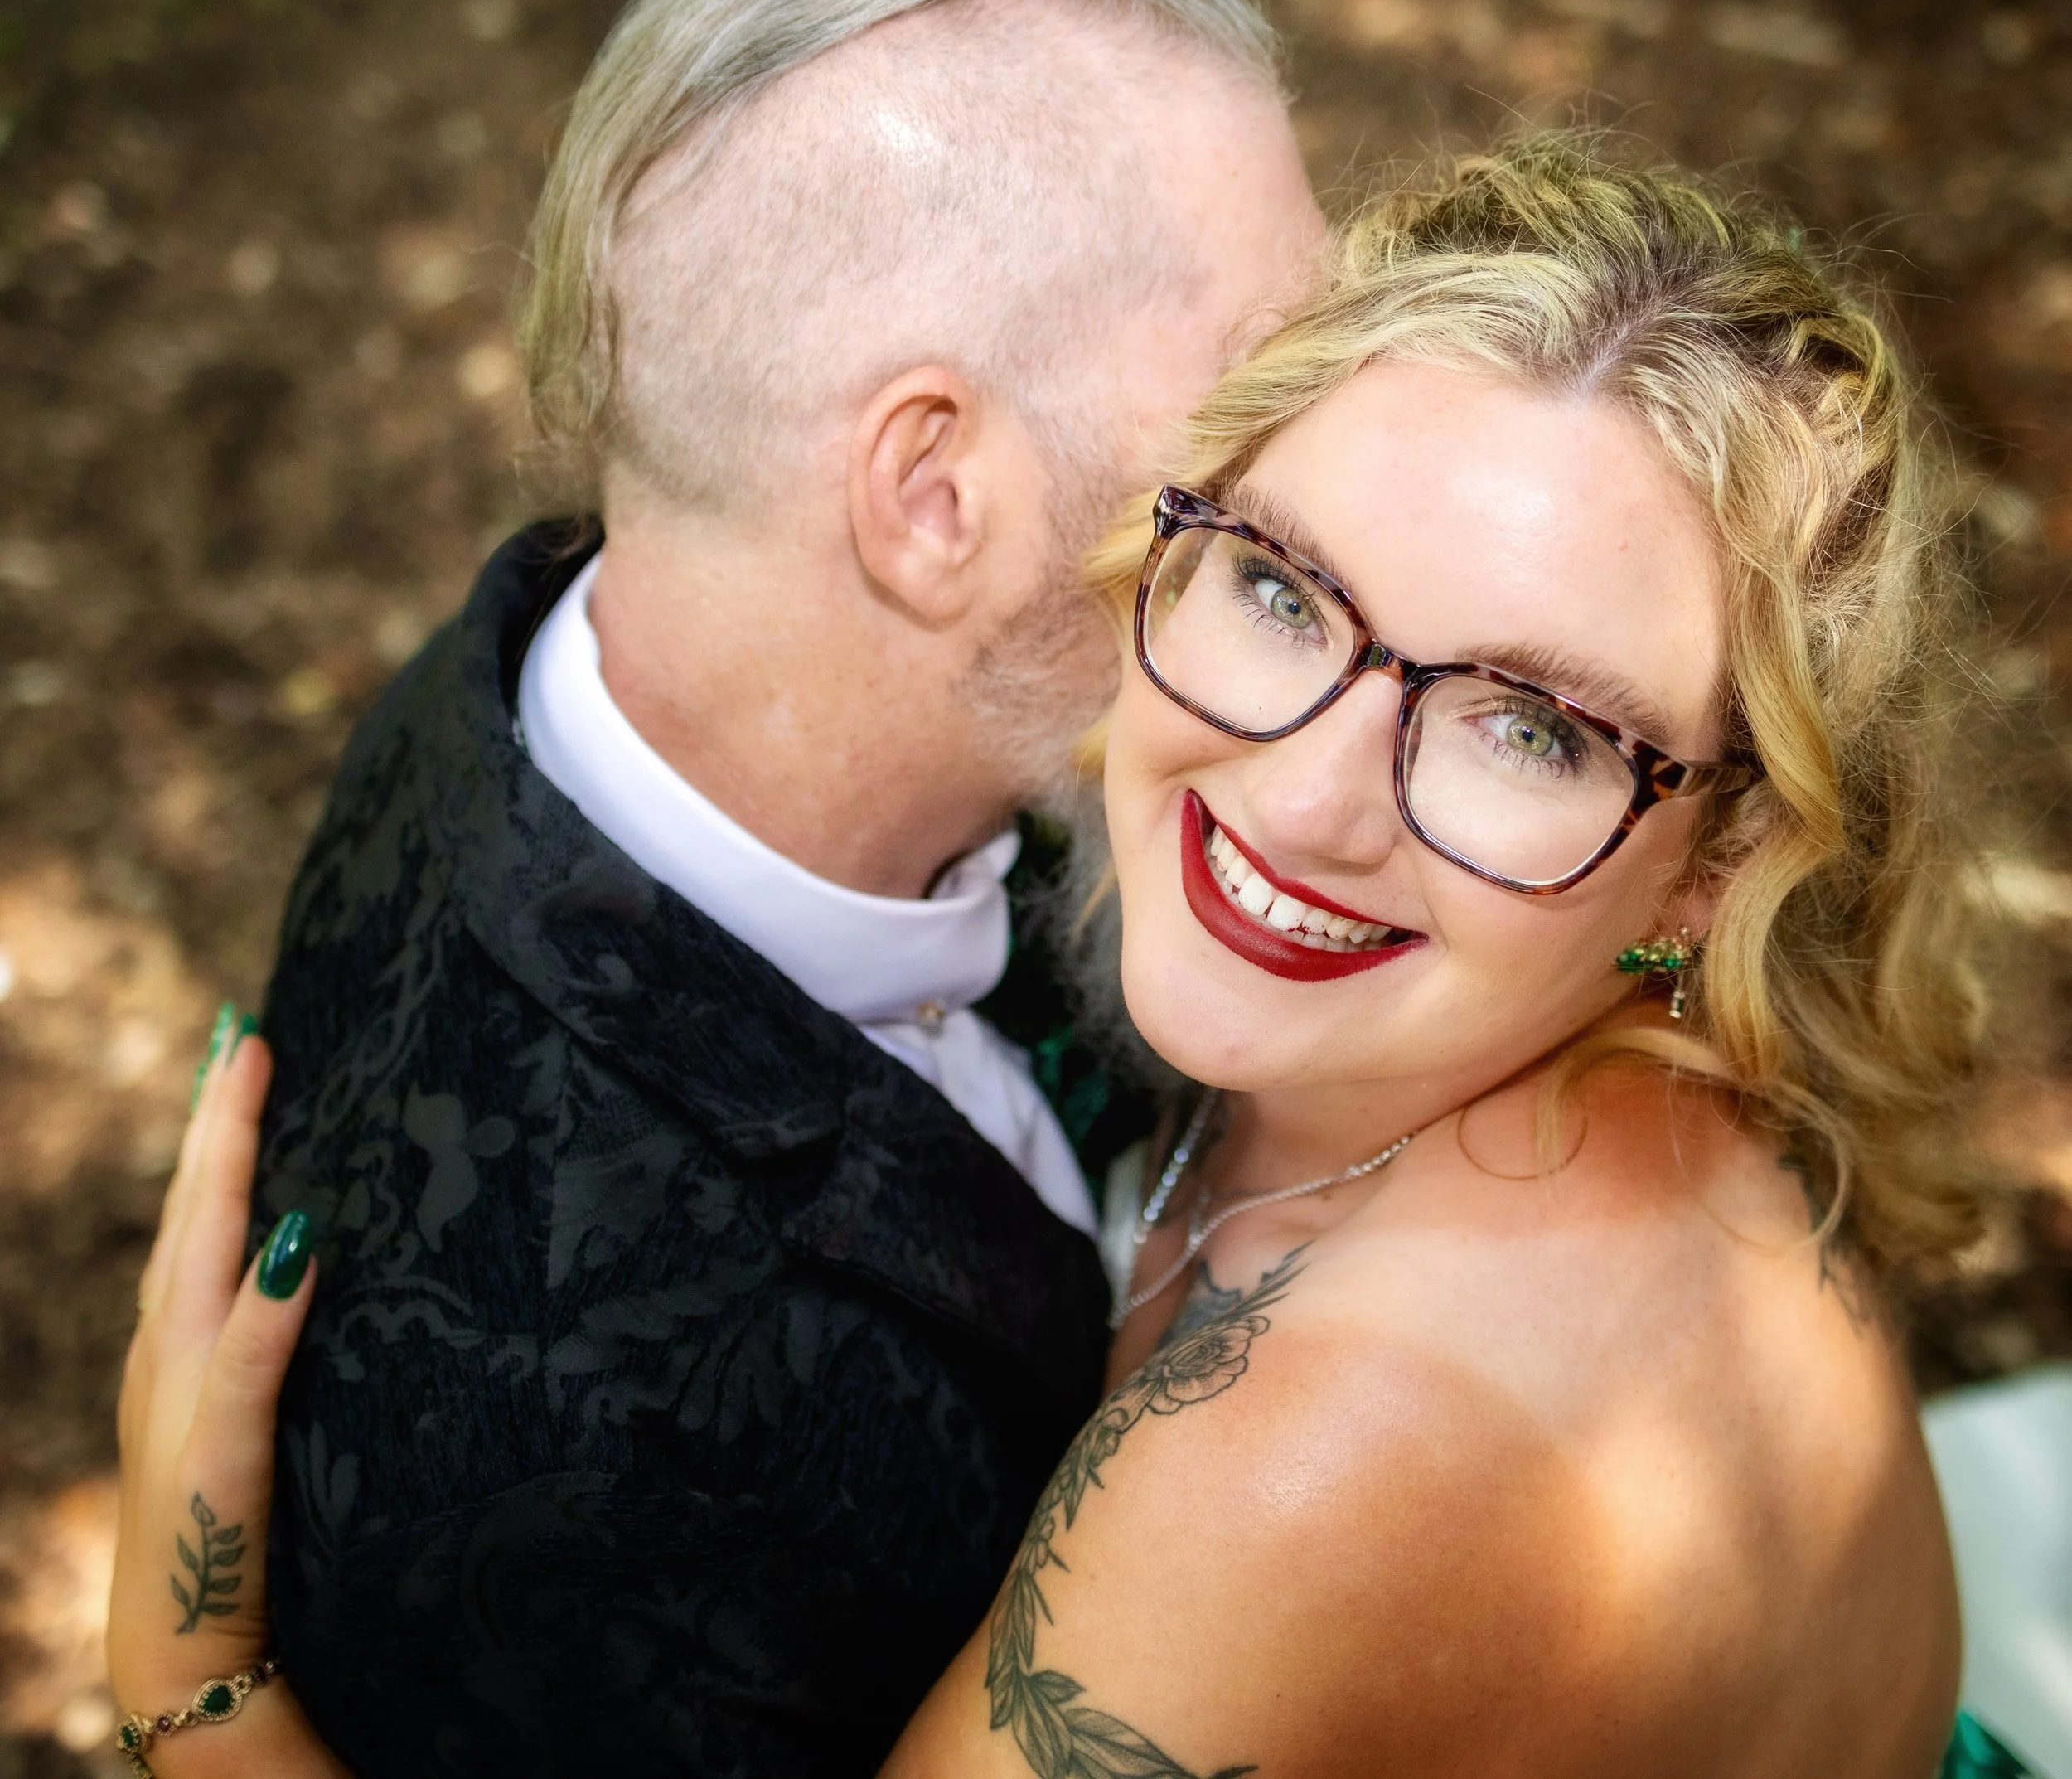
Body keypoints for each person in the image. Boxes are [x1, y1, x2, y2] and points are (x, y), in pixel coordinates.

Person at [110, 139, 2034, 1778]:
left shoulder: (1310, 1459)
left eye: (1529, 726)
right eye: (1283, 591)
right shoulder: (1543, 1028)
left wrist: (186, 1683)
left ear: (1720, 866)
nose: (1301, 796)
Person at [177, 0, 1325, 1778]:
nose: (1324, 458)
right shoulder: (580, 1467)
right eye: (1257, 395)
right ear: (933, 492)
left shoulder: (591, 646)